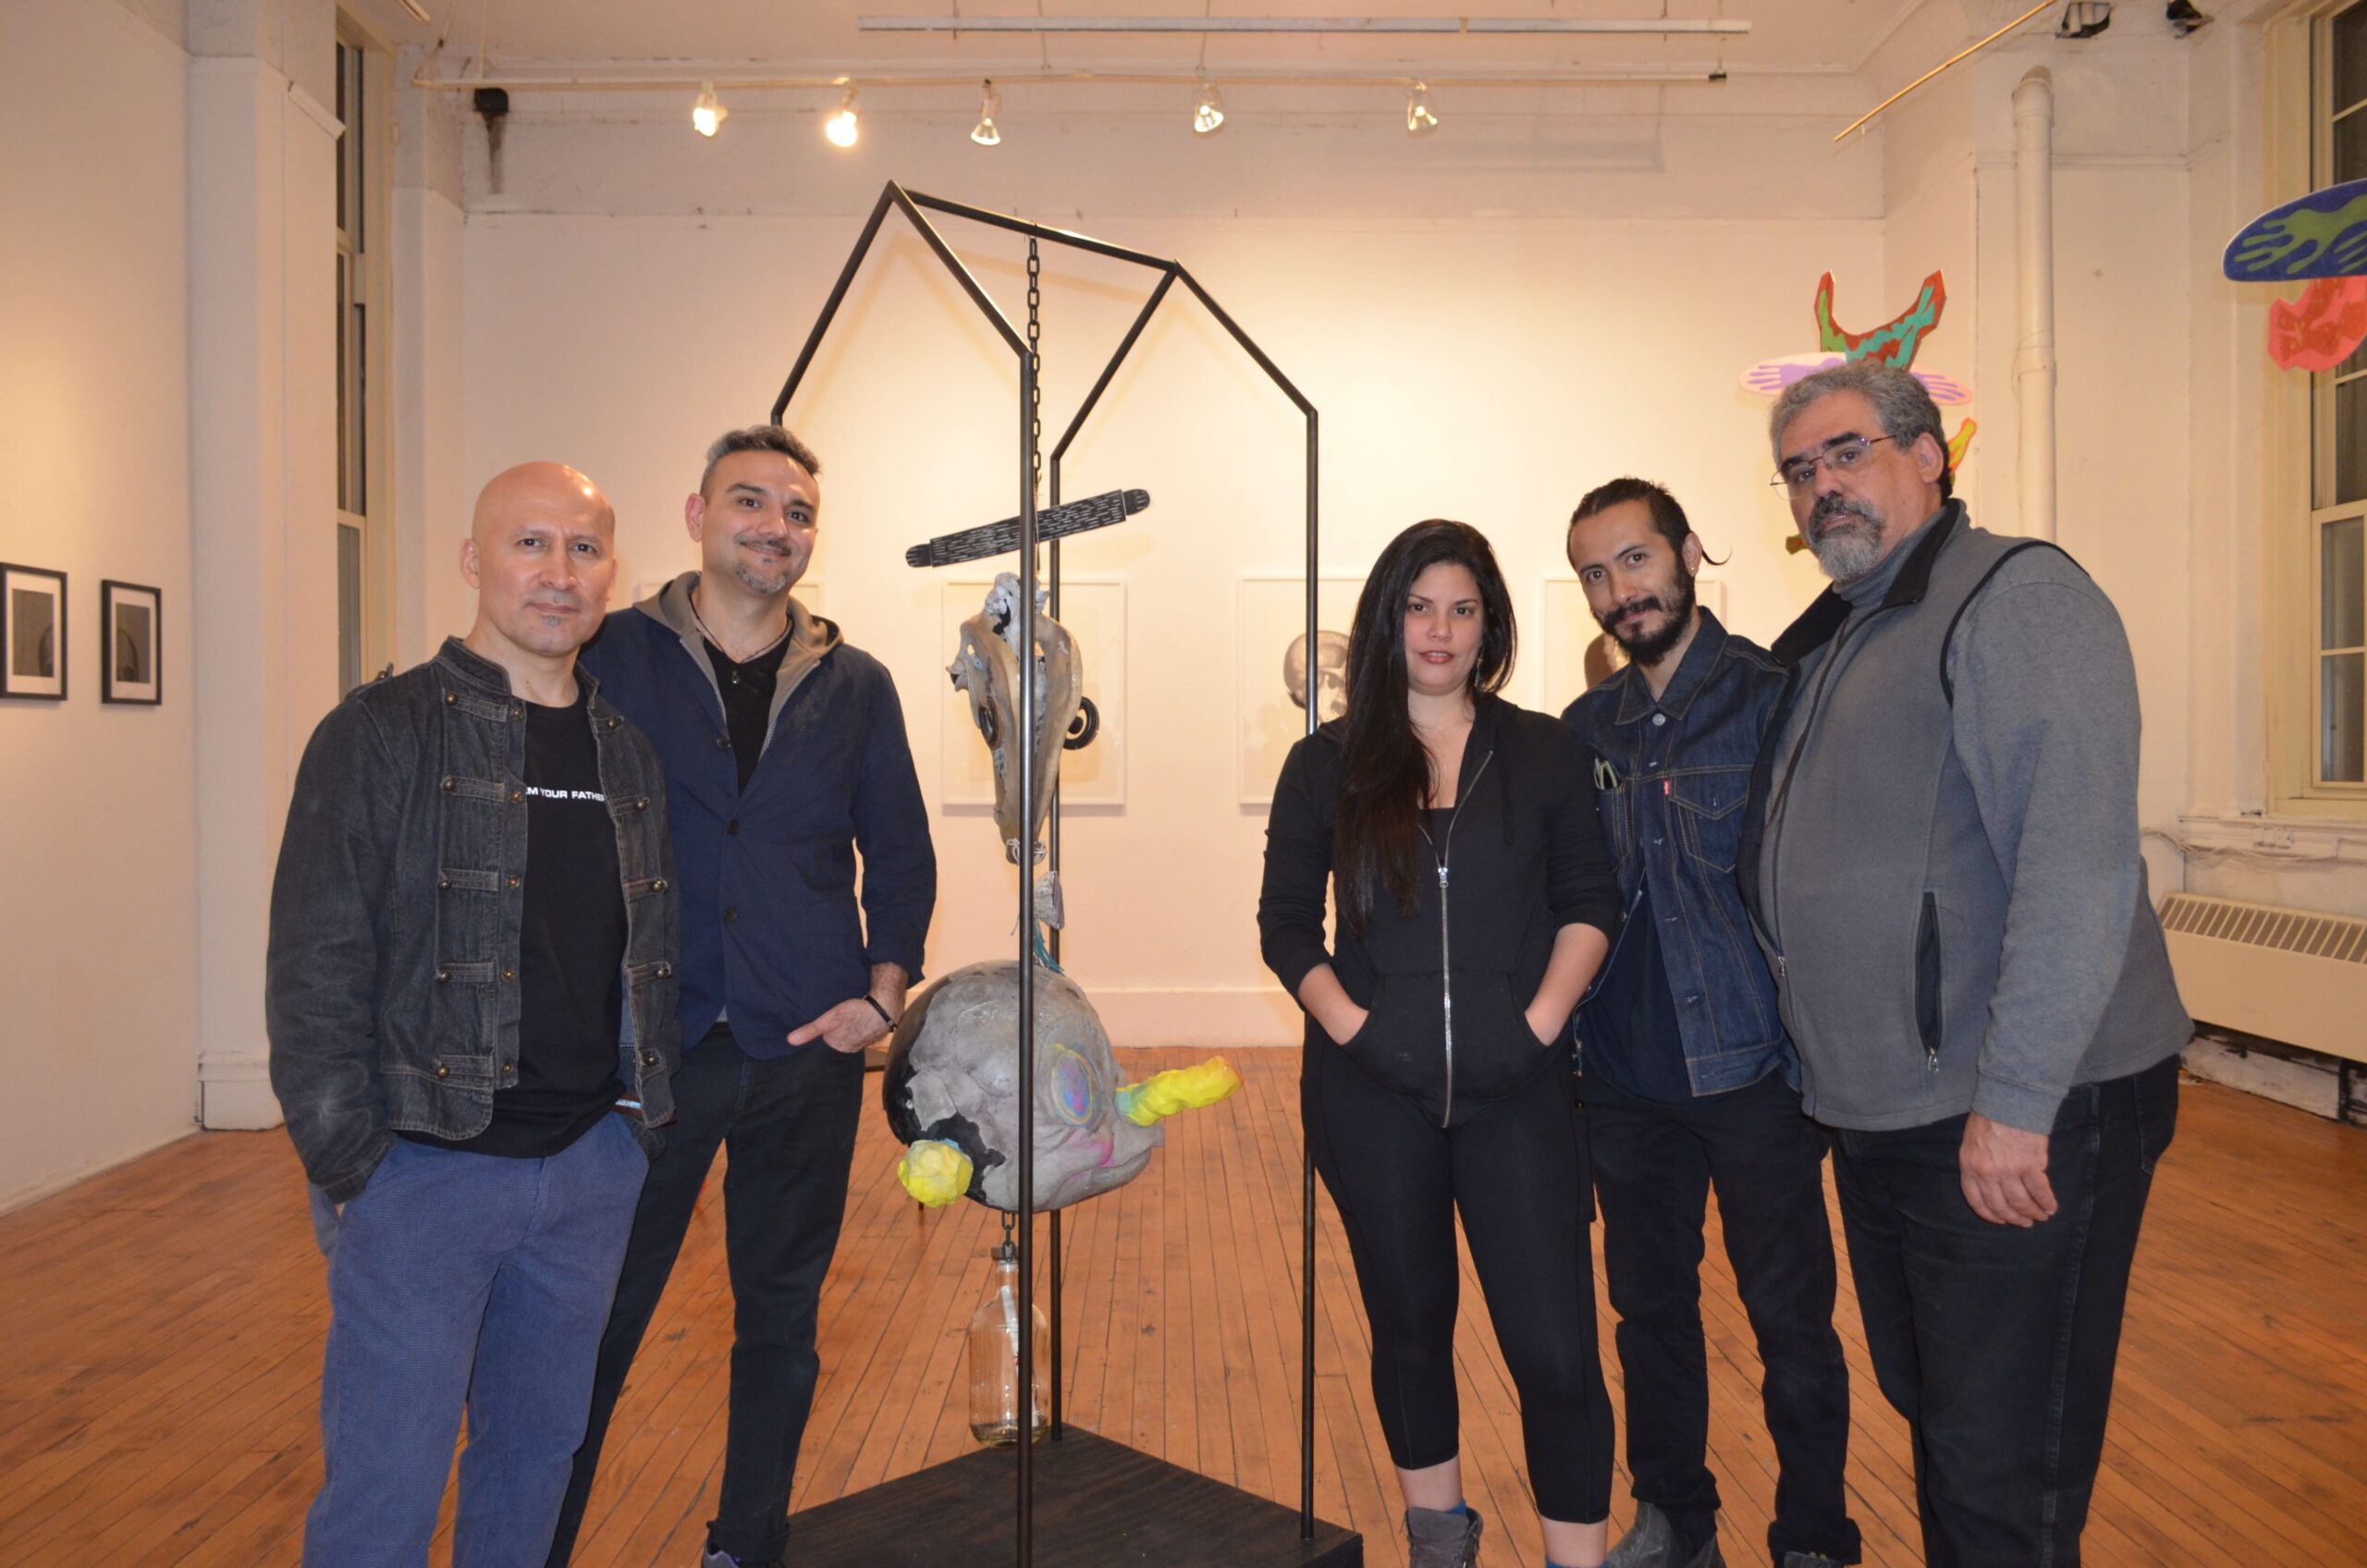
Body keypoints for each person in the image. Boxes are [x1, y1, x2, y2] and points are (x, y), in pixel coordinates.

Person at [1740, 361, 2191, 1567]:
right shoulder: (1852, 630)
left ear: (1930, 454)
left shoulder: (2017, 597)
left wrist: (2017, 1101)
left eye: (1845, 452)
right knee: (1945, 1421)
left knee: (2000, 1464)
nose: (1820, 486)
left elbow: (2077, 868)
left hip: (2015, 1110)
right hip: (1892, 1110)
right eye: (1797, 470)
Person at [266, 461, 681, 1568]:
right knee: (385, 1492)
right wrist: (351, 1161)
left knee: (532, 1464)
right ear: (472, 560)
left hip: (588, 1169)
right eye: (528, 543)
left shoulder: (626, 749)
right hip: (423, 1170)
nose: (558, 573)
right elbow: (314, 961)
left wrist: (631, 1132)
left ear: (612, 572)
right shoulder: (381, 731)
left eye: (583, 549)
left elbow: (645, 948)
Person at [550, 425, 937, 1568]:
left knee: (781, 1319)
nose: (776, 526)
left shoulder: (855, 684)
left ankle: (746, 1543)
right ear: (697, 515)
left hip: (804, 1046)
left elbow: (899, 853)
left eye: (797, 511)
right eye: (750, 501)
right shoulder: (610, 655)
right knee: (594, 1324)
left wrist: (881, 997)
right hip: (646, 1050)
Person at [1259, 520, 1620, 1568]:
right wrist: (1362, 1032)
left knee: (1556, 1352)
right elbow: (1287, 926)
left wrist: (1536, 1024)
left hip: (1521, 1094)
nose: (1440, 630)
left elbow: (1589, 902)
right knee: (1411, 1328)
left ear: (1489, 625)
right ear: (1387, 619)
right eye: (1419, 607)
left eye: (1463, 609)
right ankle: (1439, 1541)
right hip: (1372, 1097)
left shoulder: (1544, 750)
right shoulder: (1325, 763)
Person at [1562, 479, 1858, 1568]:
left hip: (1754, 1072)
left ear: (1689, 553)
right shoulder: (1584, 729)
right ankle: (1675, 1522)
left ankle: (1814, 1534)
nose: (1619, 590)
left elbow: (1824, 886)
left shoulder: (1776, 698)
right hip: (1623, 1079)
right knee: (1648, 1316)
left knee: (1790, 1322)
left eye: (1635, 559)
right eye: (1595, 574)